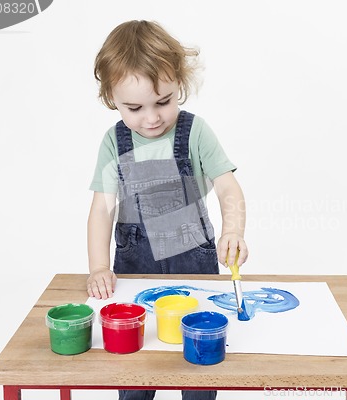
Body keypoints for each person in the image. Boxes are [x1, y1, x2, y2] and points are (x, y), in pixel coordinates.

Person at [86, 20, 248, 400]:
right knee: (136, 369)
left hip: (195, 264)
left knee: (197, 368)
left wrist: (234, 230)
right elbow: (101, 209)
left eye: (164, 101)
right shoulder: (114, 141)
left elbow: (228, 185)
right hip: (134, 269)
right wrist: (97, 267)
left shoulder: (195, 132)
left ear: (180, 85)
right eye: (135, 107)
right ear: (111, 97)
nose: (152, 117)